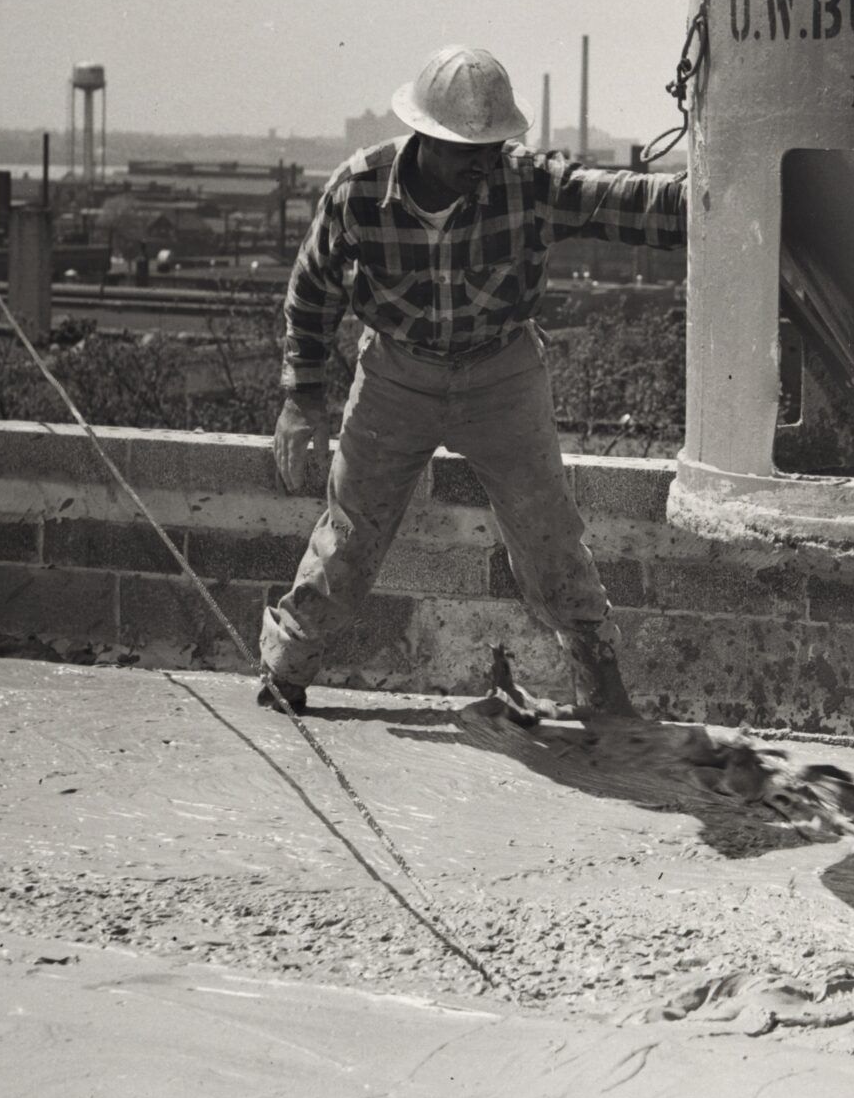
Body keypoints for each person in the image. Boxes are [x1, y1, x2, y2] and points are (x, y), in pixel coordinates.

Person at [259, 46, 685, 719]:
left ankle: (599, 681)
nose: (484, 163)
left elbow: (623, 201)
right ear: (425, 138)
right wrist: (300, 399)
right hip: (397, 374)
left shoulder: (526, 182)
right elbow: (311, 289)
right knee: (351, 530)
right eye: (469, 152)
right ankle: (286, 669)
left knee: (549, 533)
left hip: (502, 372)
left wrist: (723, 198)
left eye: (493, 148)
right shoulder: (358, 188)